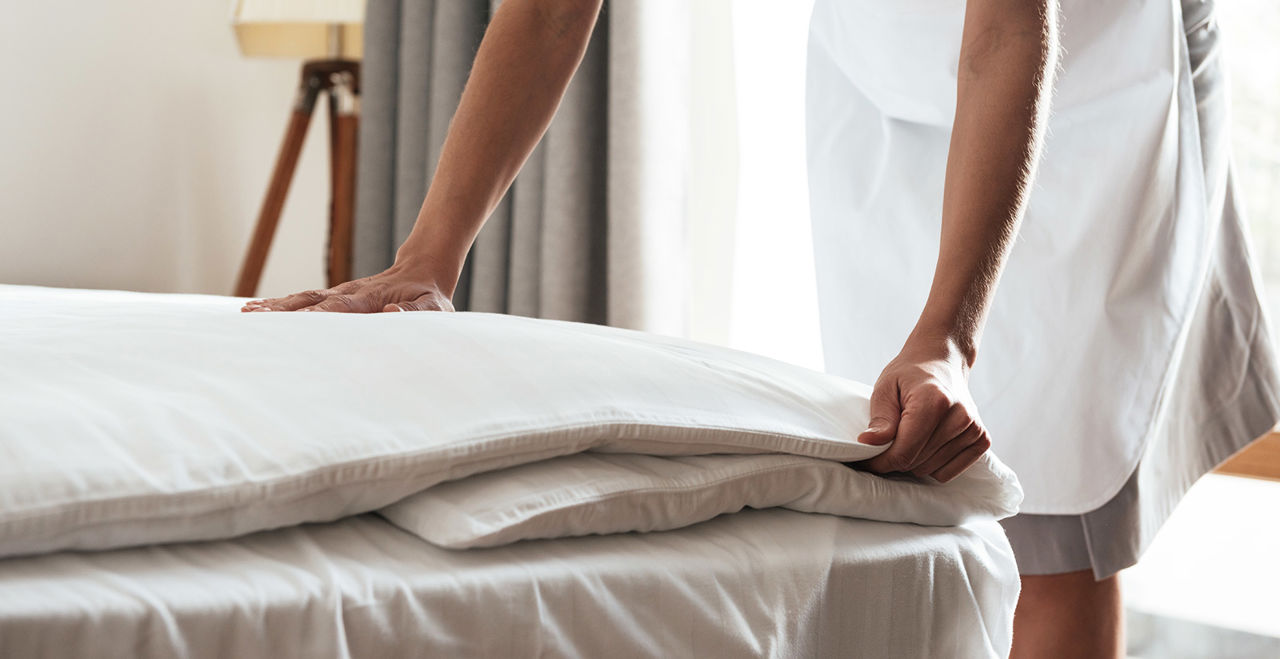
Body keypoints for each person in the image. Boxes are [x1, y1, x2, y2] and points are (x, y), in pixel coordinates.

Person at [244, 1, 1280, 657]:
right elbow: (552, 7)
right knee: (908, 471)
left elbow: (1007, 31)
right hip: (881, 67)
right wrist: (428, 258)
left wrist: (948, 333)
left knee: (1048, 518)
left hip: (1086, 73)